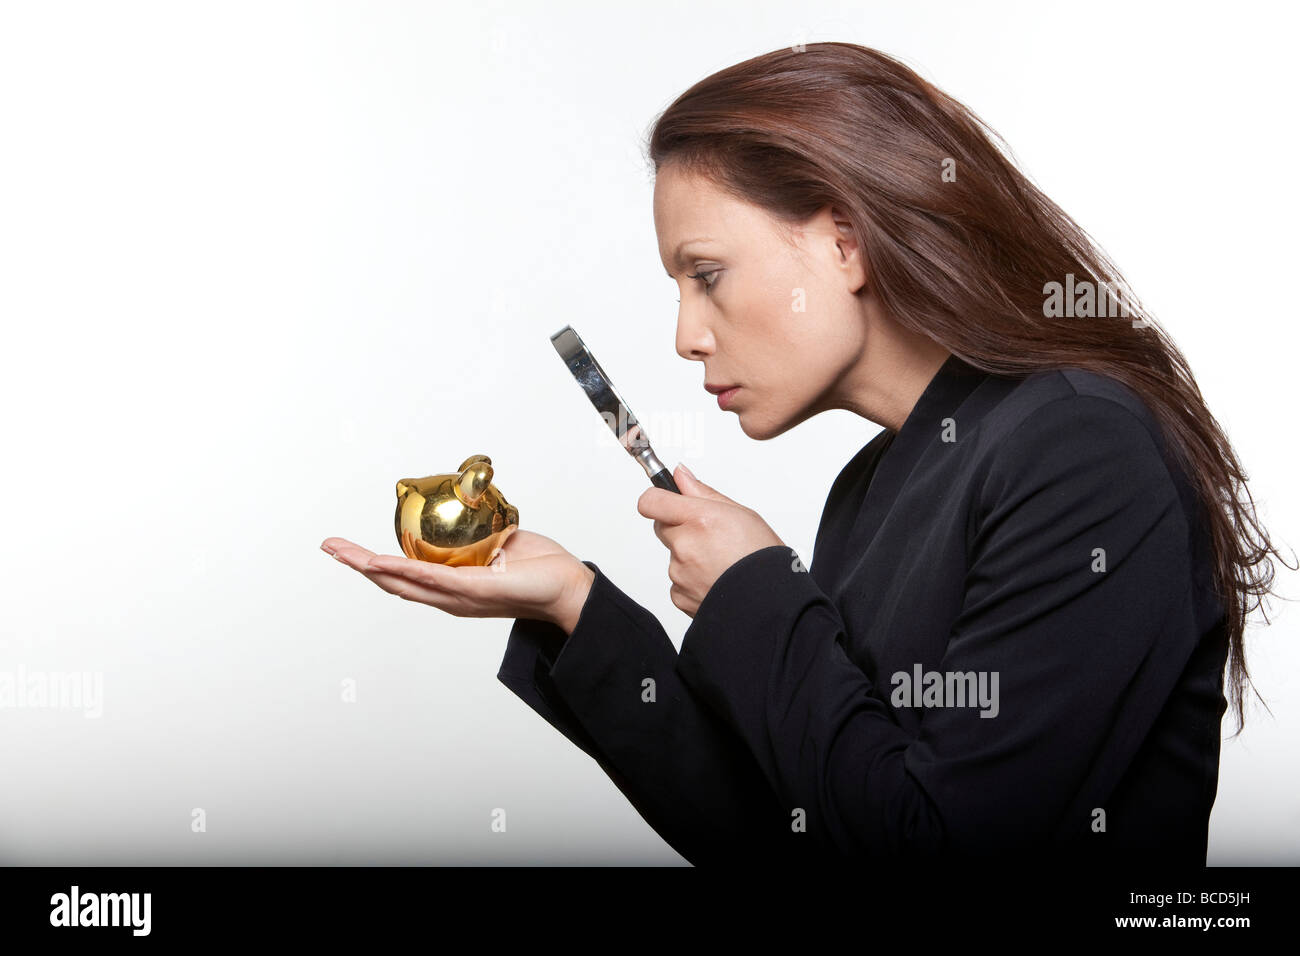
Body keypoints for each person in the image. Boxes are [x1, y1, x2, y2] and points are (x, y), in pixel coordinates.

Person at [321, 43, 1286, 867]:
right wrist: (575, 604)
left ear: (845, 241)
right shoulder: (873, 488)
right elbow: (796, 832)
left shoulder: (1082, 447)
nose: (686, 336)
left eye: (706, 276)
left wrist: (752, 590)